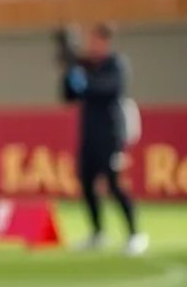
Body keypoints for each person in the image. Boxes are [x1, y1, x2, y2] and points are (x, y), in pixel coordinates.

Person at [56, 23, 147, 254]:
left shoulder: (115, 64)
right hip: (89, 136)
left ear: (106, 41)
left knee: (115, 185)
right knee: (86, 184)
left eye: (96, 40)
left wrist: (84, 82)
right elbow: (68, 96)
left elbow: (109, 90)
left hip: (111, 136)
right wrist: (69, 70)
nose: (92, 45)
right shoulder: (85, 66)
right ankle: (97, 233)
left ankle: (135, 234)